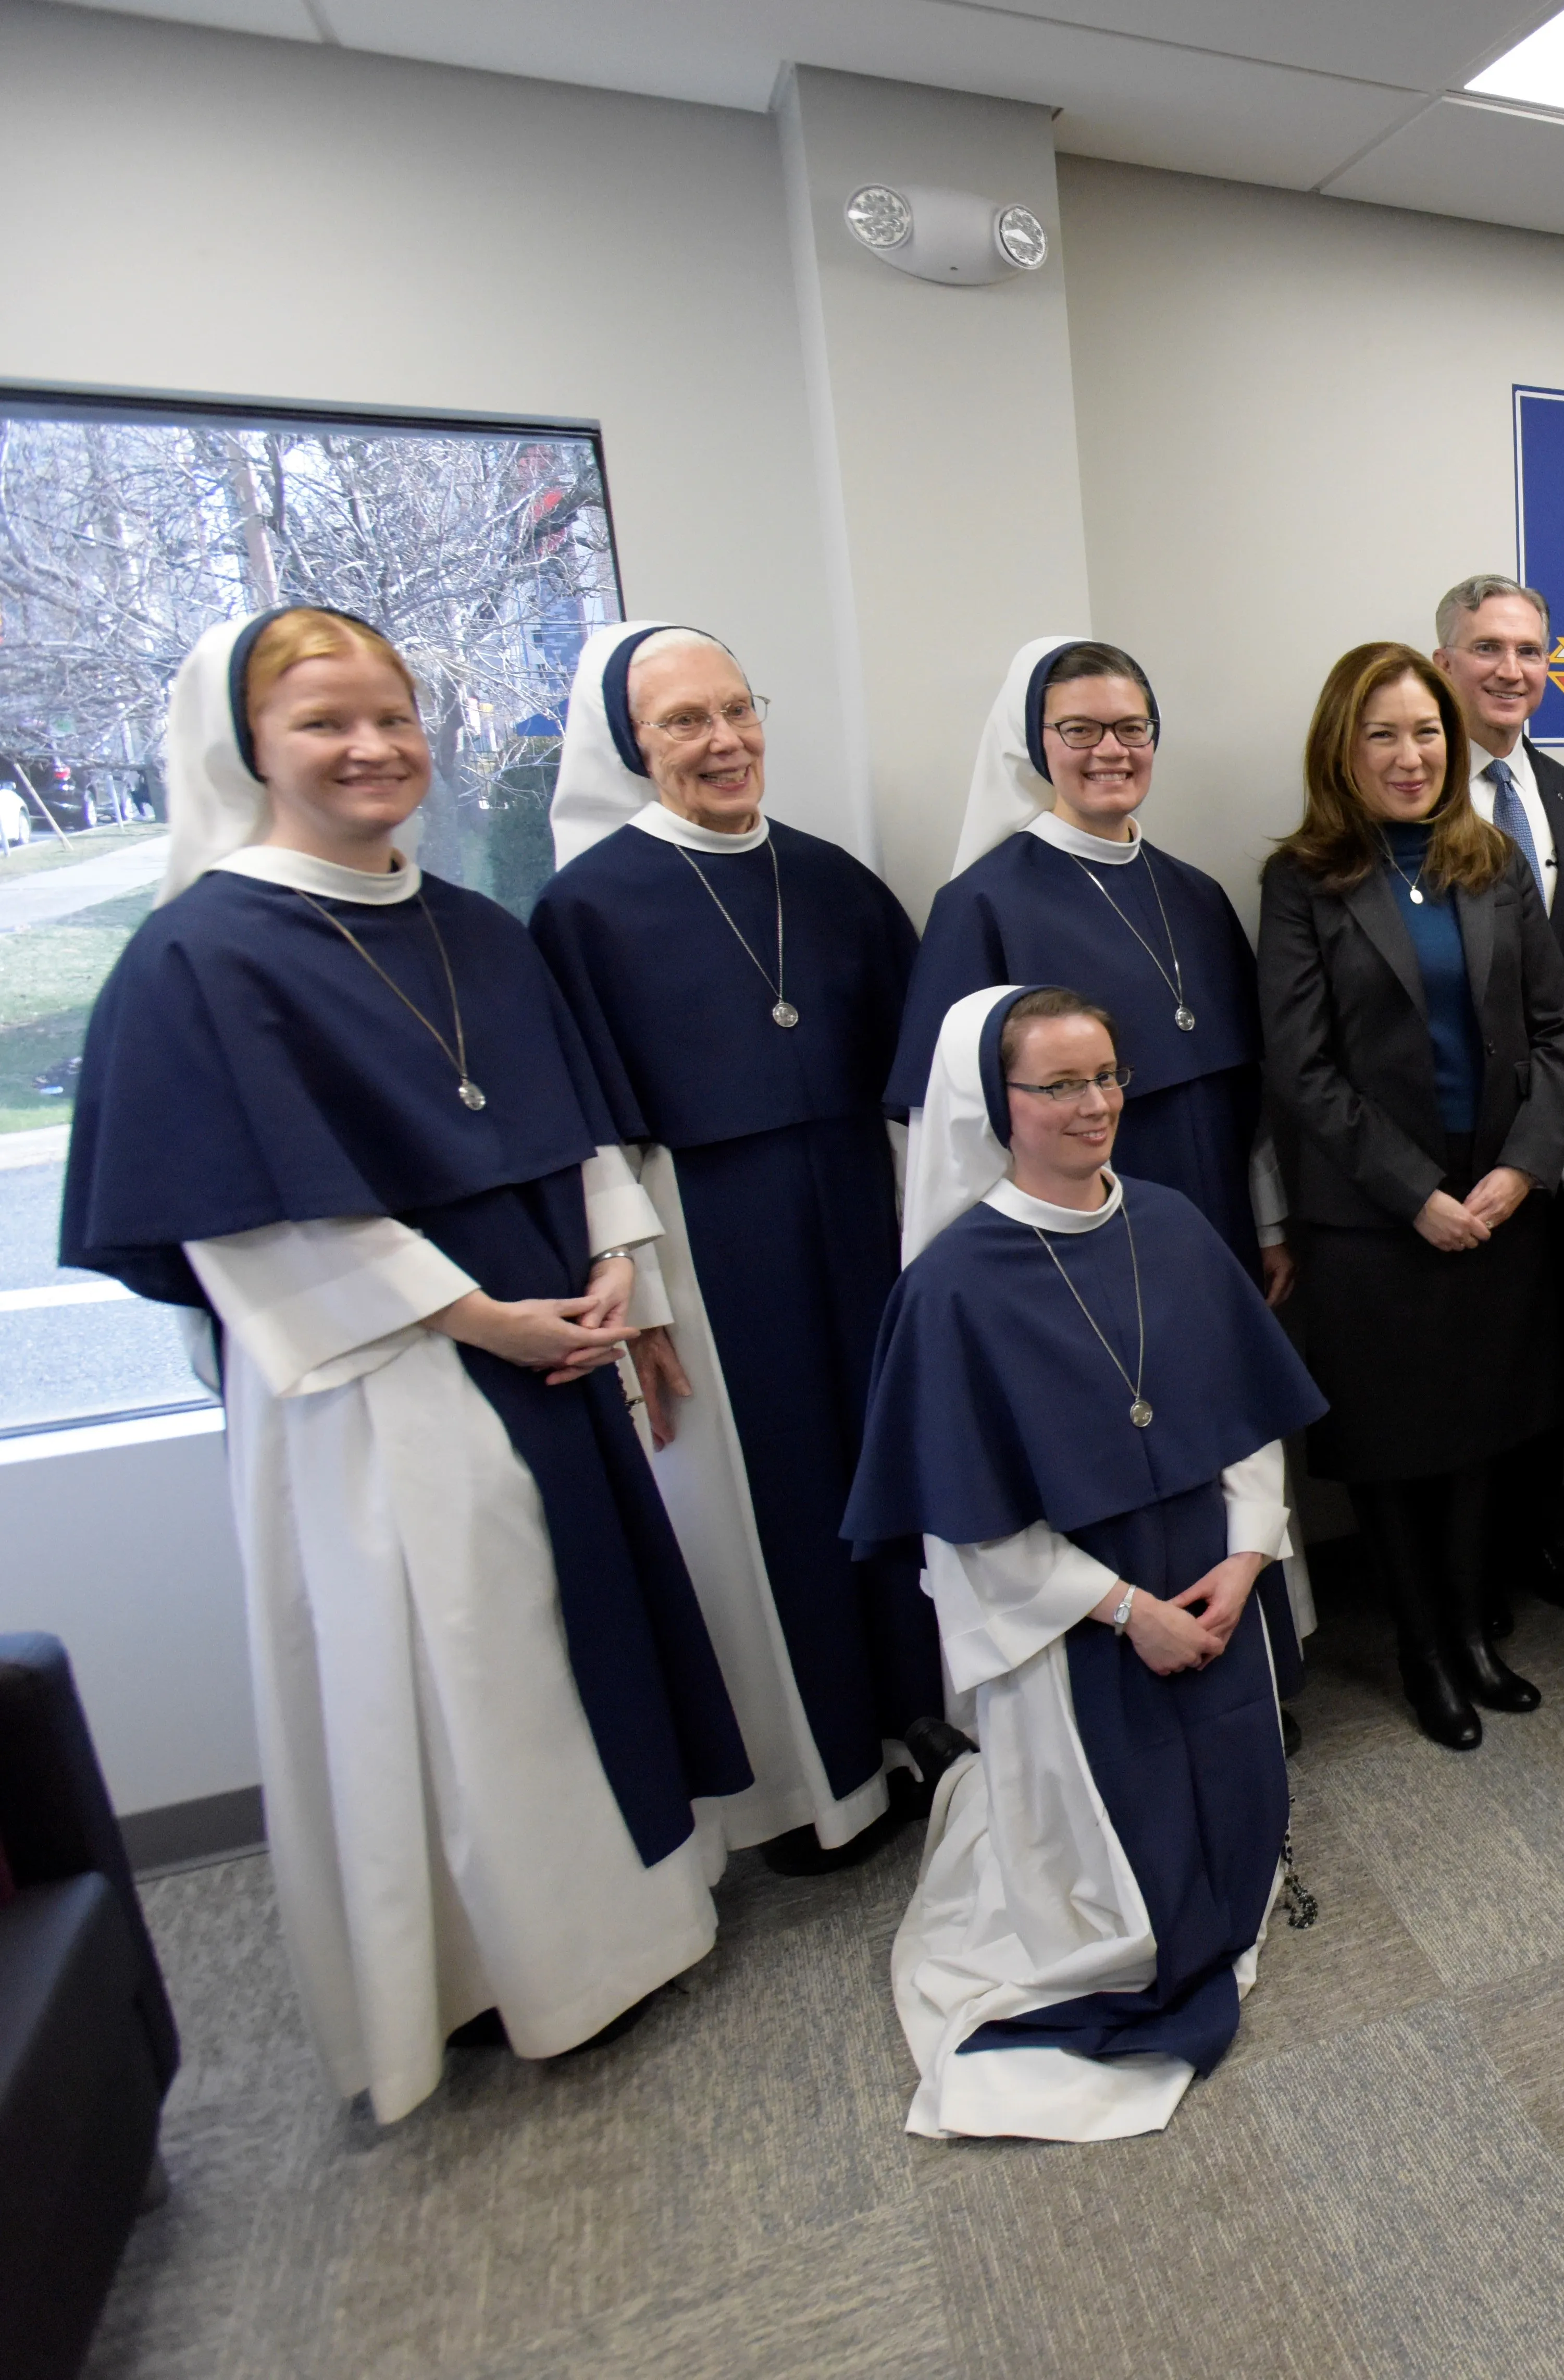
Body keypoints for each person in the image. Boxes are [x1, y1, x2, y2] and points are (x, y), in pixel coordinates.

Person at [59, 608, 750, 2120]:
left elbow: (573, 1129)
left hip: (550, 1338)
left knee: (584, 1629)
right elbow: (241, 1225)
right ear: (250, 748)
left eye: (392, 714)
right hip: (393, 1380)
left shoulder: (474, 927)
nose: (371, 747)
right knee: (466, 1661)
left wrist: (617, 1259)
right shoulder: (204, 952)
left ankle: (640, 1917)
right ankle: (518, 1971)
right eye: (323, 723)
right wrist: (473, 1313)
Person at [844, 985, 1324, 2140]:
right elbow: (971, 1525)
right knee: (1124, 1902)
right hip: (1077, 1621)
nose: (1096, 1104)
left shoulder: (1167, 1223)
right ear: (995, 1105)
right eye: (1058, 1085)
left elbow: (1246, 1419)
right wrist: (1127, 1613)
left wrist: (1250, 1554)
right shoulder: (953, 1287)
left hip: (1215, 1581)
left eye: (1106, 1075)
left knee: (1235, 1821)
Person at [529, 621, 939, 1875]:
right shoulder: (584, 906)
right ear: (628, 746)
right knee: (764, 1512)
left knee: (894, 1471)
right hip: (709, 1240)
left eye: (734, 710)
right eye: (681, 724)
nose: (722, 742)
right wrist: (638, 1293)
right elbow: (591, 1131)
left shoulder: (832, 880)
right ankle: (818, 1787)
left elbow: (913, 1086)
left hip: (862, 1216)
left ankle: (919, 1726)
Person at [1257, 643, 1564, 1748]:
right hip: (1374, 1222)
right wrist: (1415, 1195)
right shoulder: (1303, 880)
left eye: (1427, 732)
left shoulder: (1488, 860)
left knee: (1485, 1431)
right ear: (1341, 749)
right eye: (1383, 734)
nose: (1411, 756)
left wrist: (1516, 1171)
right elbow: (1302, 1072)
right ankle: (1423, 1649)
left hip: (1496, 1206)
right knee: (1396, 1449)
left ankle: (1477, 1638)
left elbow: (1557, 1032)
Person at [890, 637, 1289, 1299]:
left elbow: (1247, 1089)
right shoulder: (983, 904)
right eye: (1081, 729)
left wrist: (1270, 1222)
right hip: (1076, 1245)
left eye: (1133, 728)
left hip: (1221, 1223)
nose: (1112, 750)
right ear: (1035, 742)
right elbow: (950, 1132)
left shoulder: (1197, 894)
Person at [1435, 573, 1564, 1617]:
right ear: (1445, 660)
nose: (1512, 671)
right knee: (1463, 1365)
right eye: (1488, 648)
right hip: (1451, 1150)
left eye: (1530, 651)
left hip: (1563, 1139)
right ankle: (1470, 1572)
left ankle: (1537, 1536)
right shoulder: (1407, 803)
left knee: (1549, 1348)